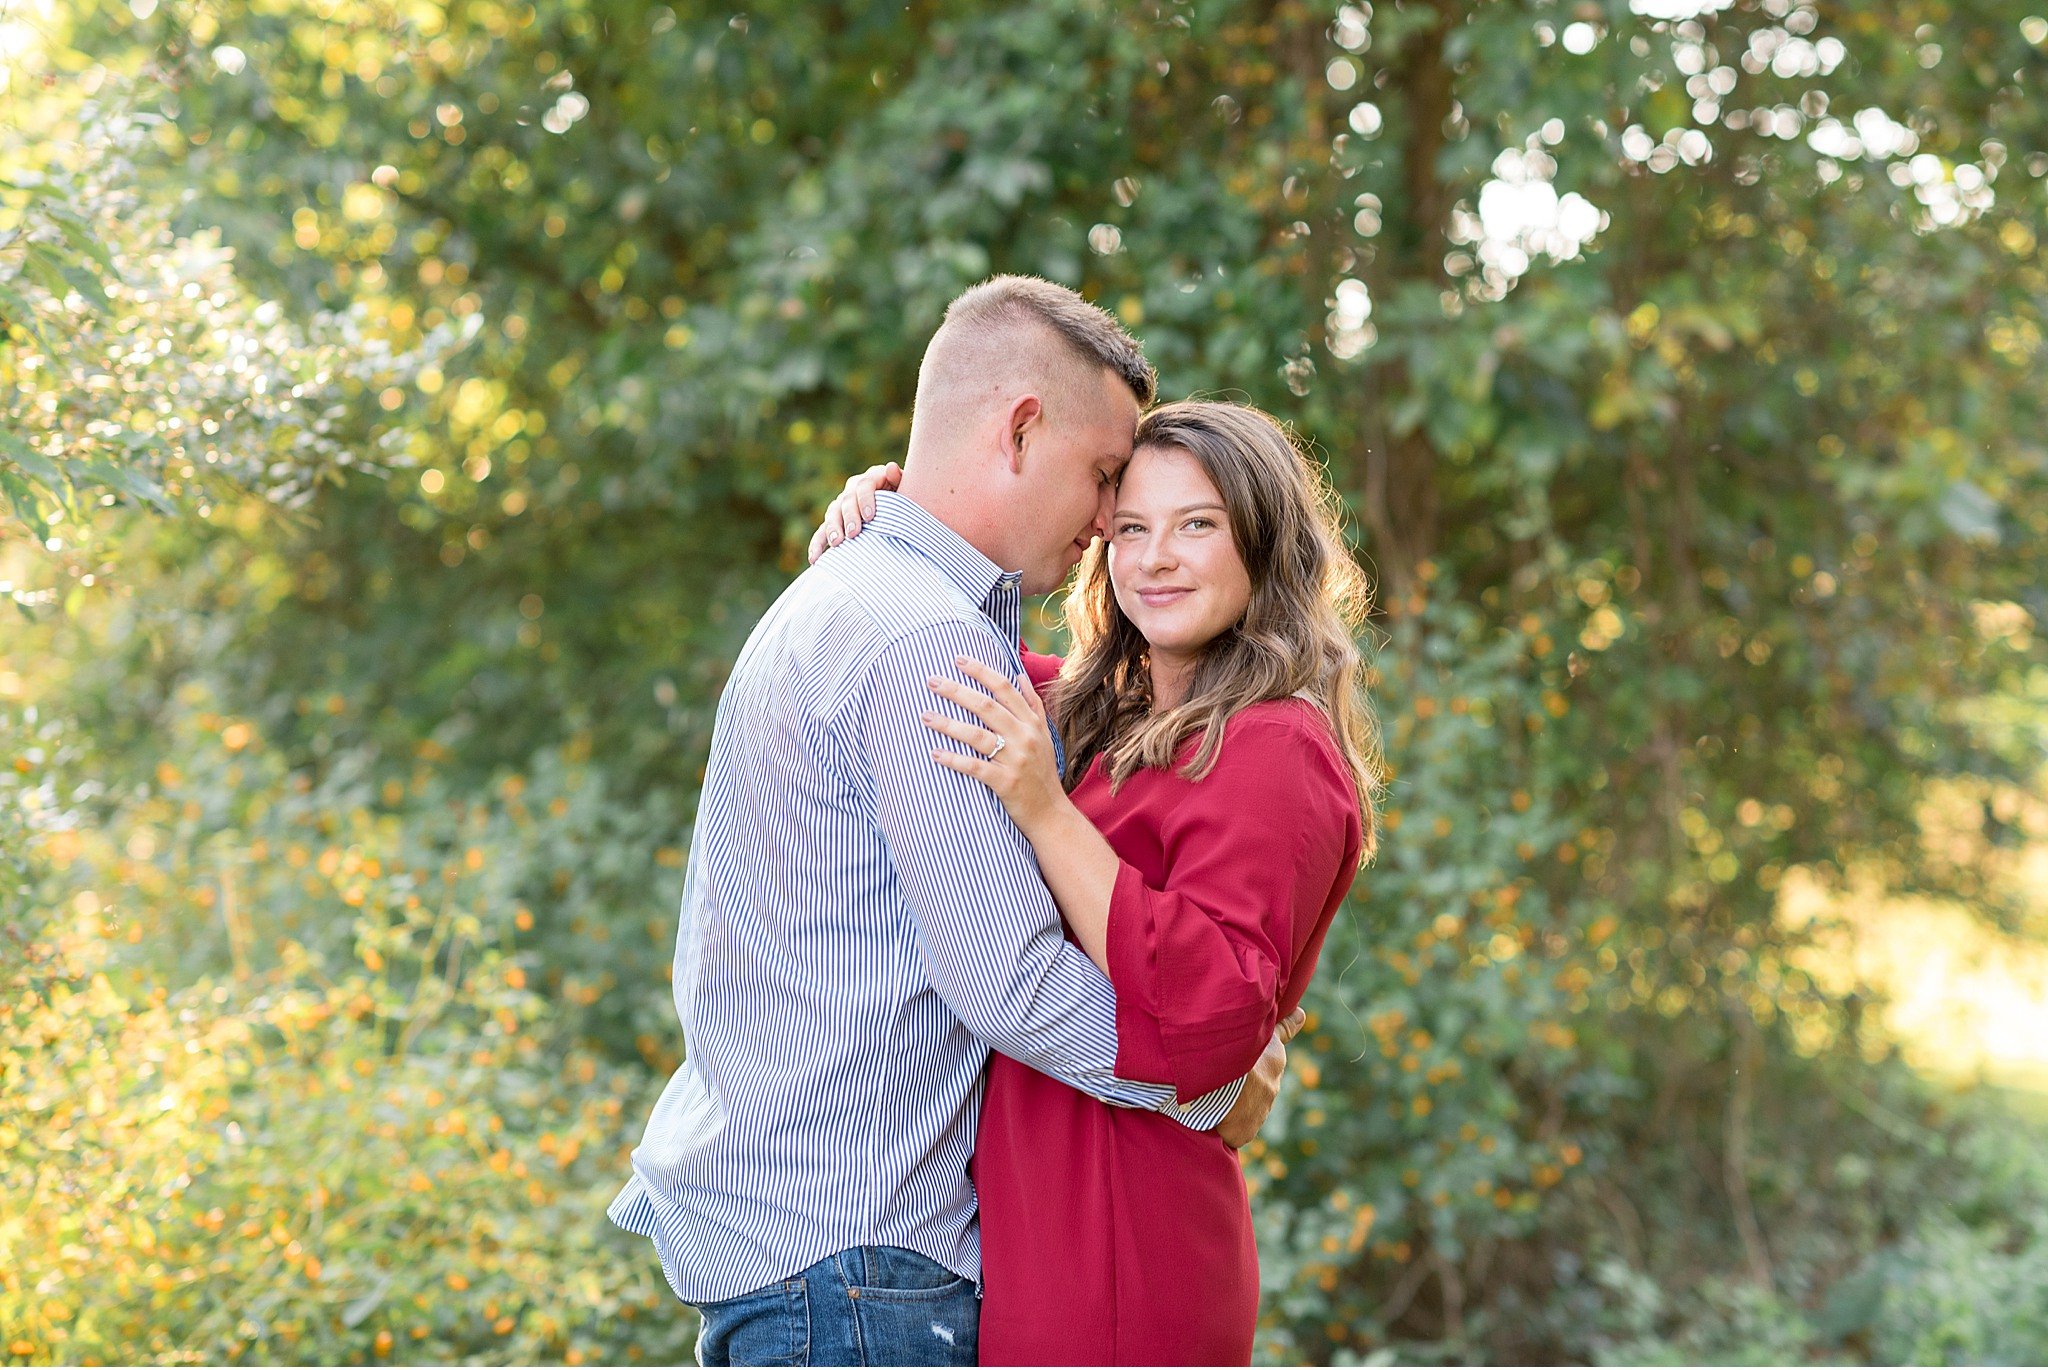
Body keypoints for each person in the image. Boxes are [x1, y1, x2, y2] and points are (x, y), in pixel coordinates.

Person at [609, 276, 1293, 1369]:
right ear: (1021, 428)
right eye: (1106, 475)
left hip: (805, 1255)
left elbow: (1060, 707)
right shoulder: (918, 641)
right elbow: (1007, 980)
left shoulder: (858, 597)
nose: (1109, 519)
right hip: (858, 1271)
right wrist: (1203, 1082)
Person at [816, 398, 1381, 1364]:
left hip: (1128, 1232)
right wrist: (890, 529)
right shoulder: (1110, 720)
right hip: (1043, 1215)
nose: (1156, 557)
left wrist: (1045, 810)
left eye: (1196, 525)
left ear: (1263, 541)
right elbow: (946, 658)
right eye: (1130, 530)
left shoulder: (1275, 744)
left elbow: (1210, 1012)